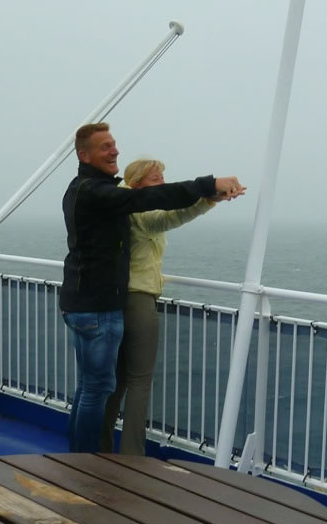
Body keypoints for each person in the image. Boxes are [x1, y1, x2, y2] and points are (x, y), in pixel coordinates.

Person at [60, 123, 244, 452]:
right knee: (110, 386)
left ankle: (87, 455)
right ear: (84, 155)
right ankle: (93, 460)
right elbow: (161, 209)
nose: (114, 150)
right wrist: (208, 187)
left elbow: (158, 205)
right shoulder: (101, 194)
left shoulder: (89, 190)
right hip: (104, 306)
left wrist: (207, 198)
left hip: (93, 303)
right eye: (105, 147)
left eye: (114, 144)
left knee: (95, 386)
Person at [99, 158, 226, 455]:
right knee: (139, 381)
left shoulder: (123, 207)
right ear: (138, 184)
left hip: (118, 298)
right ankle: (131, 457)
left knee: (117, 381)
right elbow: (170, 218)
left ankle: (100, 449)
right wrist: (207, 201)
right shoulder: (140, 212)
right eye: (156, 179)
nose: (163, 183)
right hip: (139, 300)